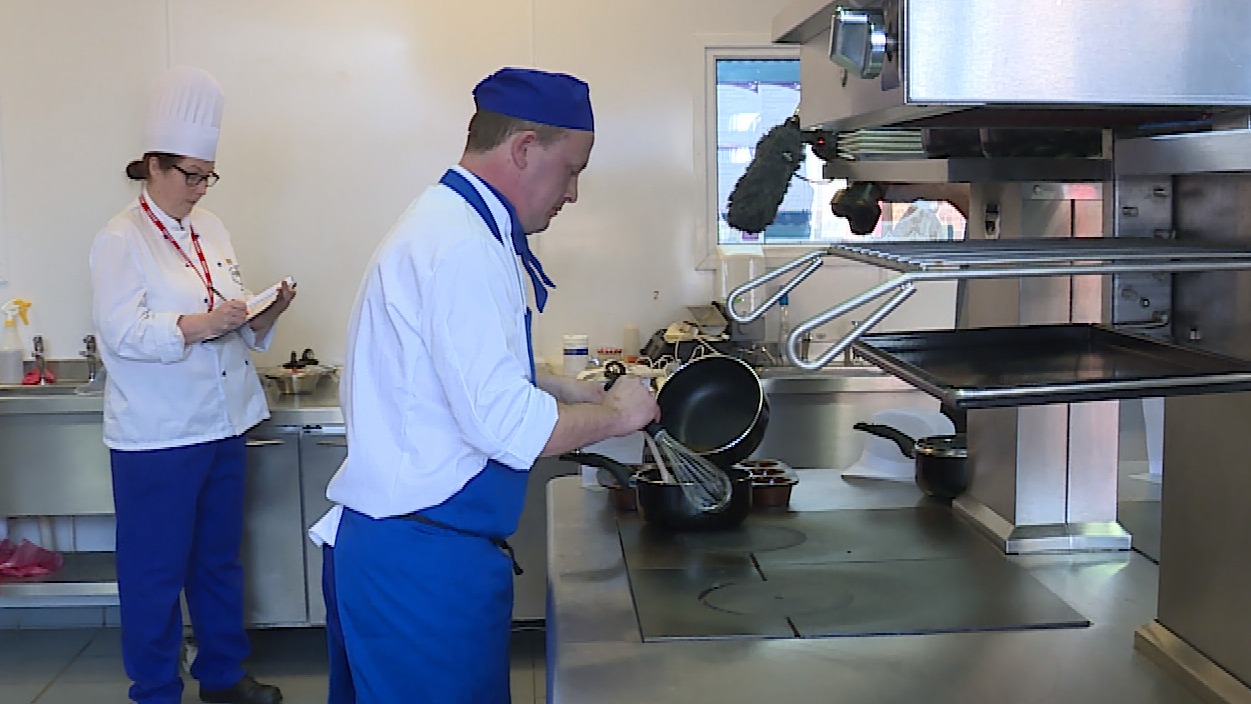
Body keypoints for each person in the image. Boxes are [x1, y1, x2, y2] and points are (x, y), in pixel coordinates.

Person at [308, 67, 659, 703]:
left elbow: (443, 371)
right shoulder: (461, 244)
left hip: (404, 549)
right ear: (524, 148)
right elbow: (506, 427)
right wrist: (618, 413)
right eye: (571, 170)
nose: (573, 193)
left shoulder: (452, 223)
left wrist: (557, 388)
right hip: (420, 567)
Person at [89, 66, 296, 704]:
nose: (200, 189)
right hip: (159, 434)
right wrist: (204, 324)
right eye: (190, 176)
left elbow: (235, 324)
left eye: (208, 176)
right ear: (153, 166)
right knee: (154, 572)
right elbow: (122, 333)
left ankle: (222, 678)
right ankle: (154, 690)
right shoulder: (120, 238)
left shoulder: (212, 227)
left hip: (224, 422)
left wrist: (264, 314)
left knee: (218, 561)